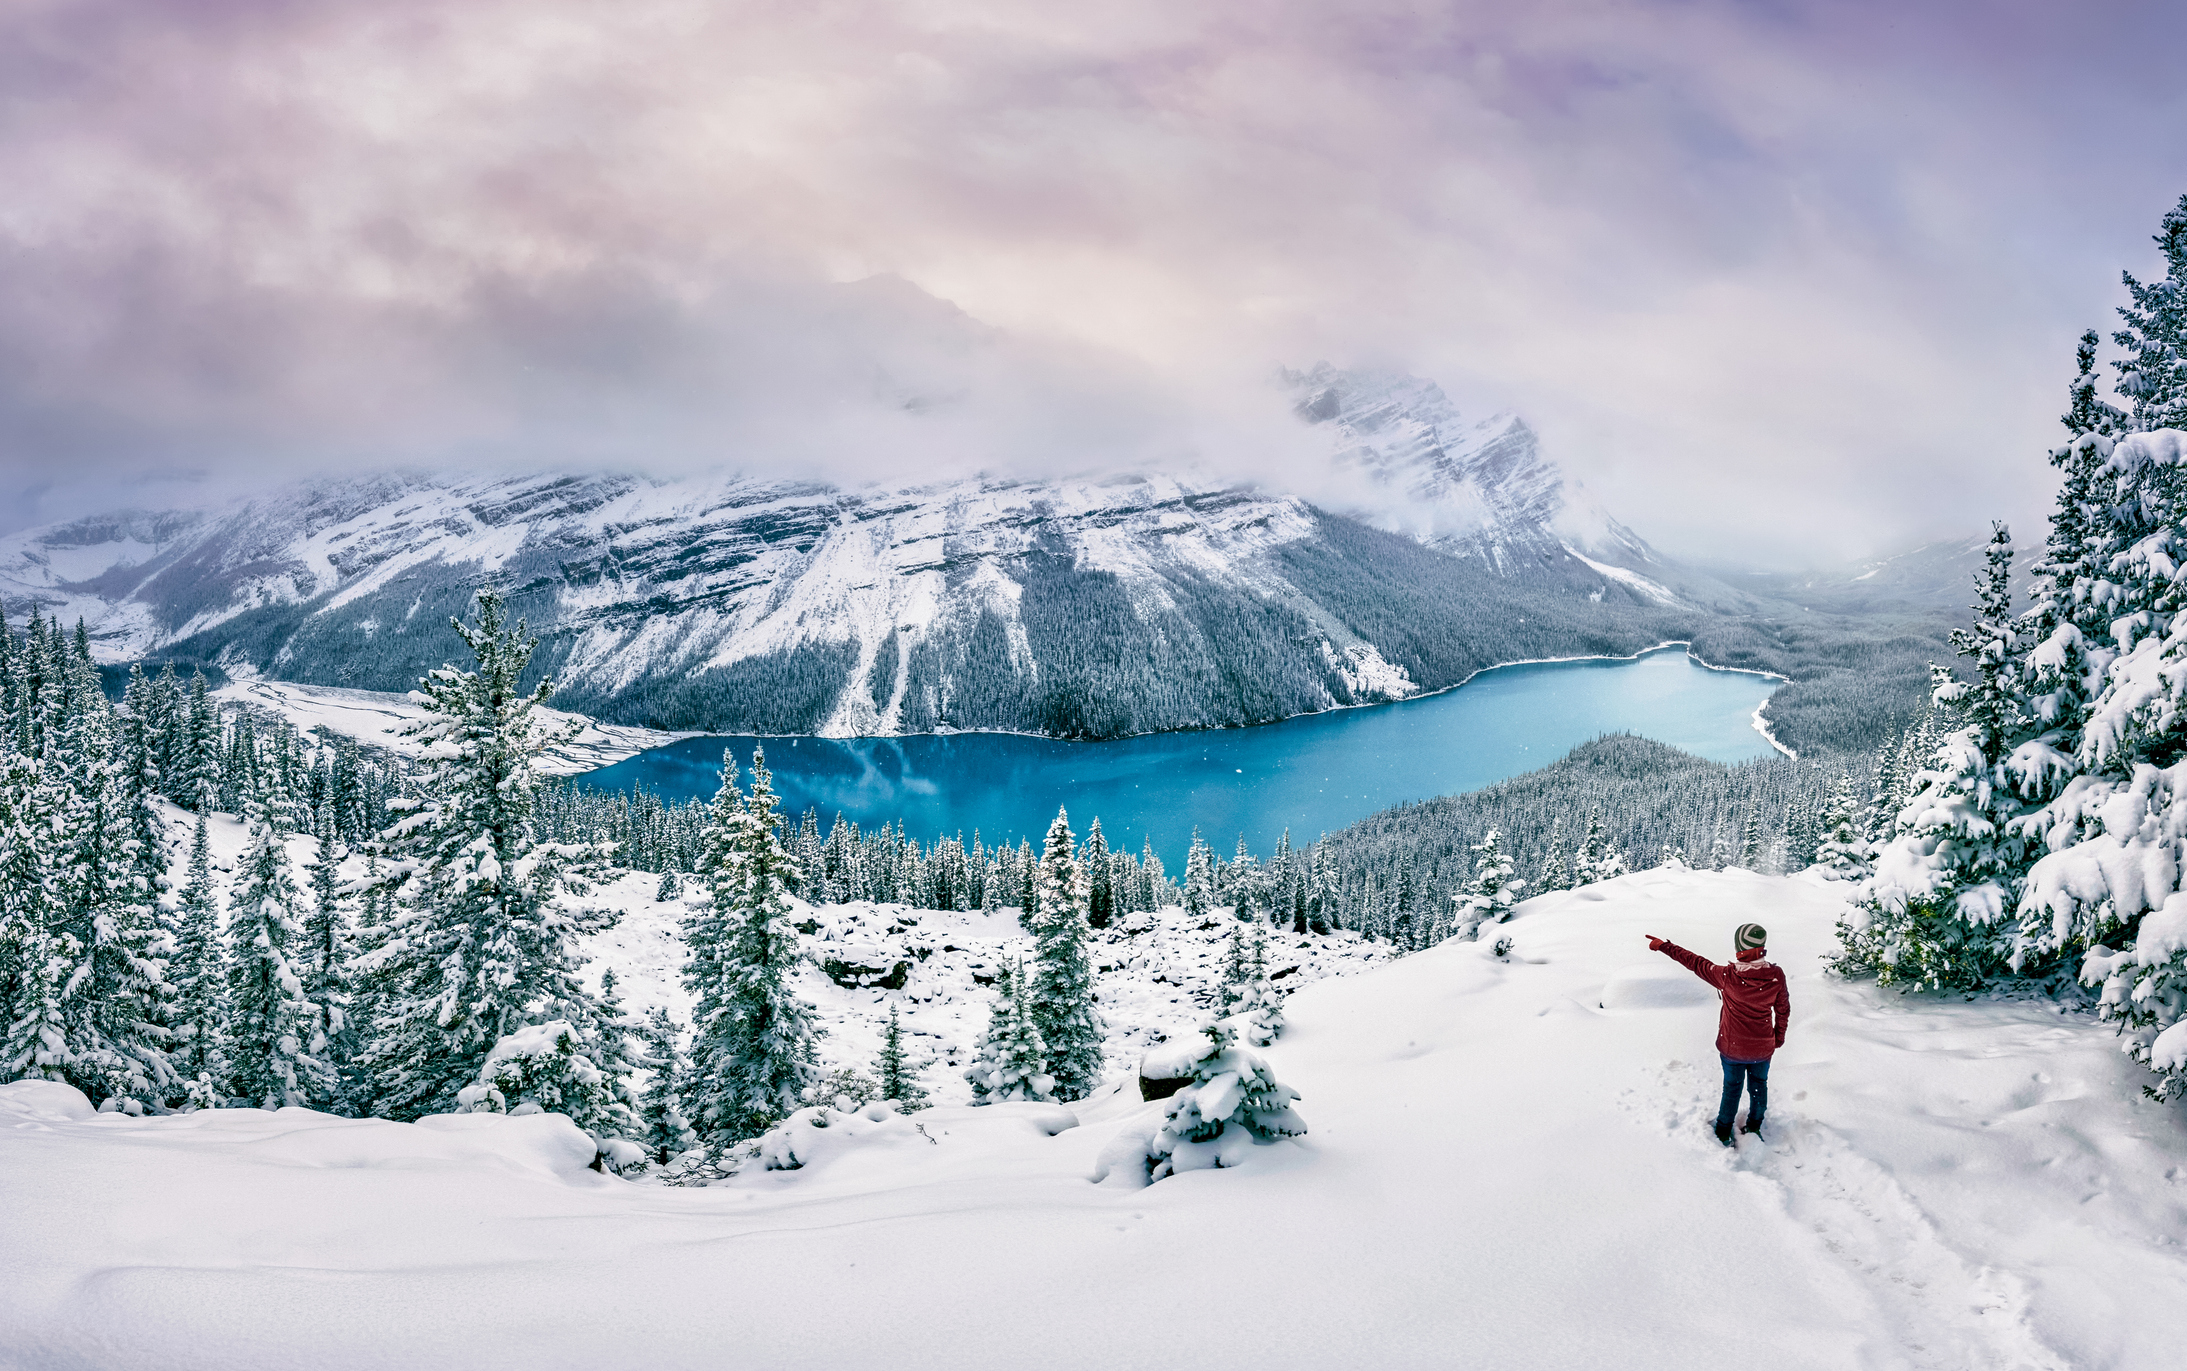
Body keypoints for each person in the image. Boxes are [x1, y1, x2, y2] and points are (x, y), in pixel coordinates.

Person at [1645, 922, 1789, 1146]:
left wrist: (1665, 946)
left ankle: (1723, 1129)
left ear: (1740, 949)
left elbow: (1694, 962)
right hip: (1763, 1048)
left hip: (1733, 1049)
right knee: (1759, 1085)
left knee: (1732, 1088)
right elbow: (1783, 1010)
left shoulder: (1726, 976)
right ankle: (1754, 1125)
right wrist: (1777, 1038)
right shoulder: (1776, 975)